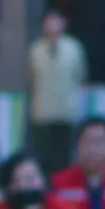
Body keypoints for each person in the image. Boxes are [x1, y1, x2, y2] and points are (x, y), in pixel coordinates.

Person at [27, 9, 87, 177]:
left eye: (56, 20)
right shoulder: (36, 49)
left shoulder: (74, 48)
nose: (52, 24)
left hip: (66, 110)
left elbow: (81, 75)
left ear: (63, 23)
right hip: (43, 111)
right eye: (48, 21)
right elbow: (31, 76)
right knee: (43, 154)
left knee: (64, 154)